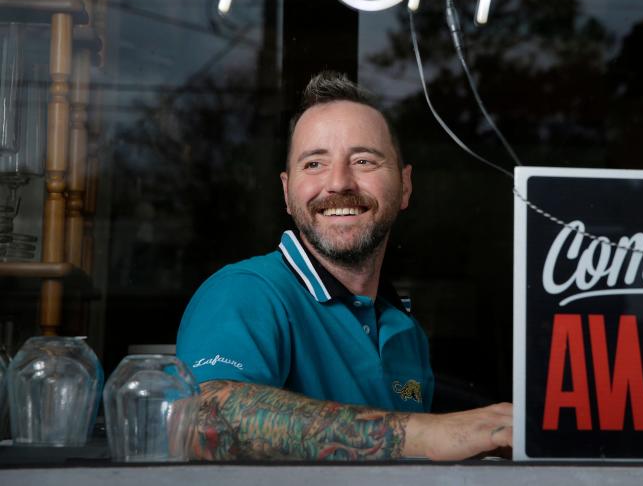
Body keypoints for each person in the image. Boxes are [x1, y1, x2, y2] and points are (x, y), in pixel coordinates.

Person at [176, 71, 512, 461]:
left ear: (404, 186)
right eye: (314, 163)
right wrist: (427, 433)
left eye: (364, 160)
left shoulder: (407, 332)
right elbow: (201, 418)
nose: (339, 183)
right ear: (286, 191)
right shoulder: (247, 291)